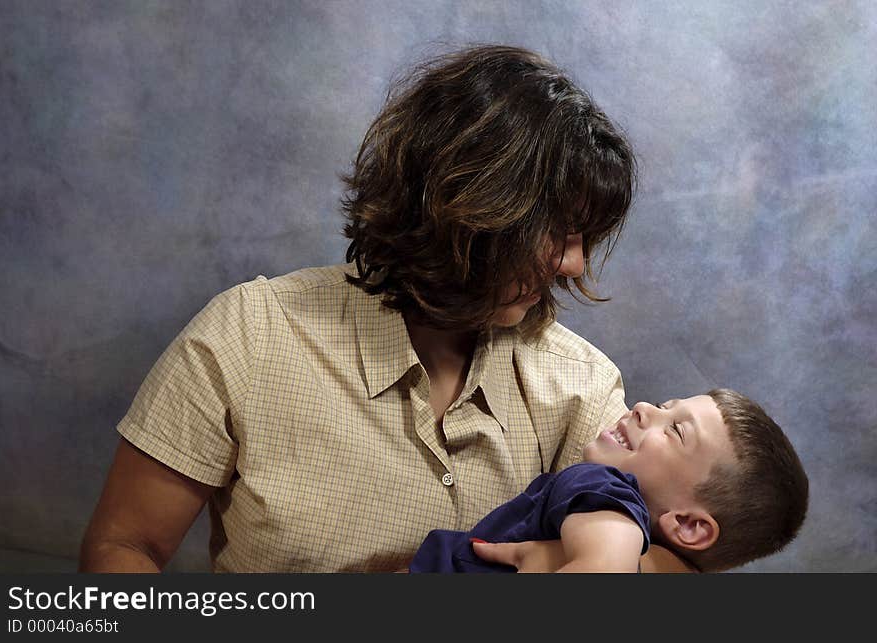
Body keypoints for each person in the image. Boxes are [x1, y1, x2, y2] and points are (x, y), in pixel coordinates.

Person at [78, 44, 666, 572]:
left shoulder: (581, 383)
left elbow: (676, 556)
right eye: (559, 234)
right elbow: (125, 547)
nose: (574, 265)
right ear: (470, 211)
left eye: (585, 238)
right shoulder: (246, 335)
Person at [410, 389, 809, 573]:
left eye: (676, 431)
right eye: (664, 406)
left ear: (687, 525)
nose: (642, 409)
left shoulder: (605, 487)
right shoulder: (602, 492)